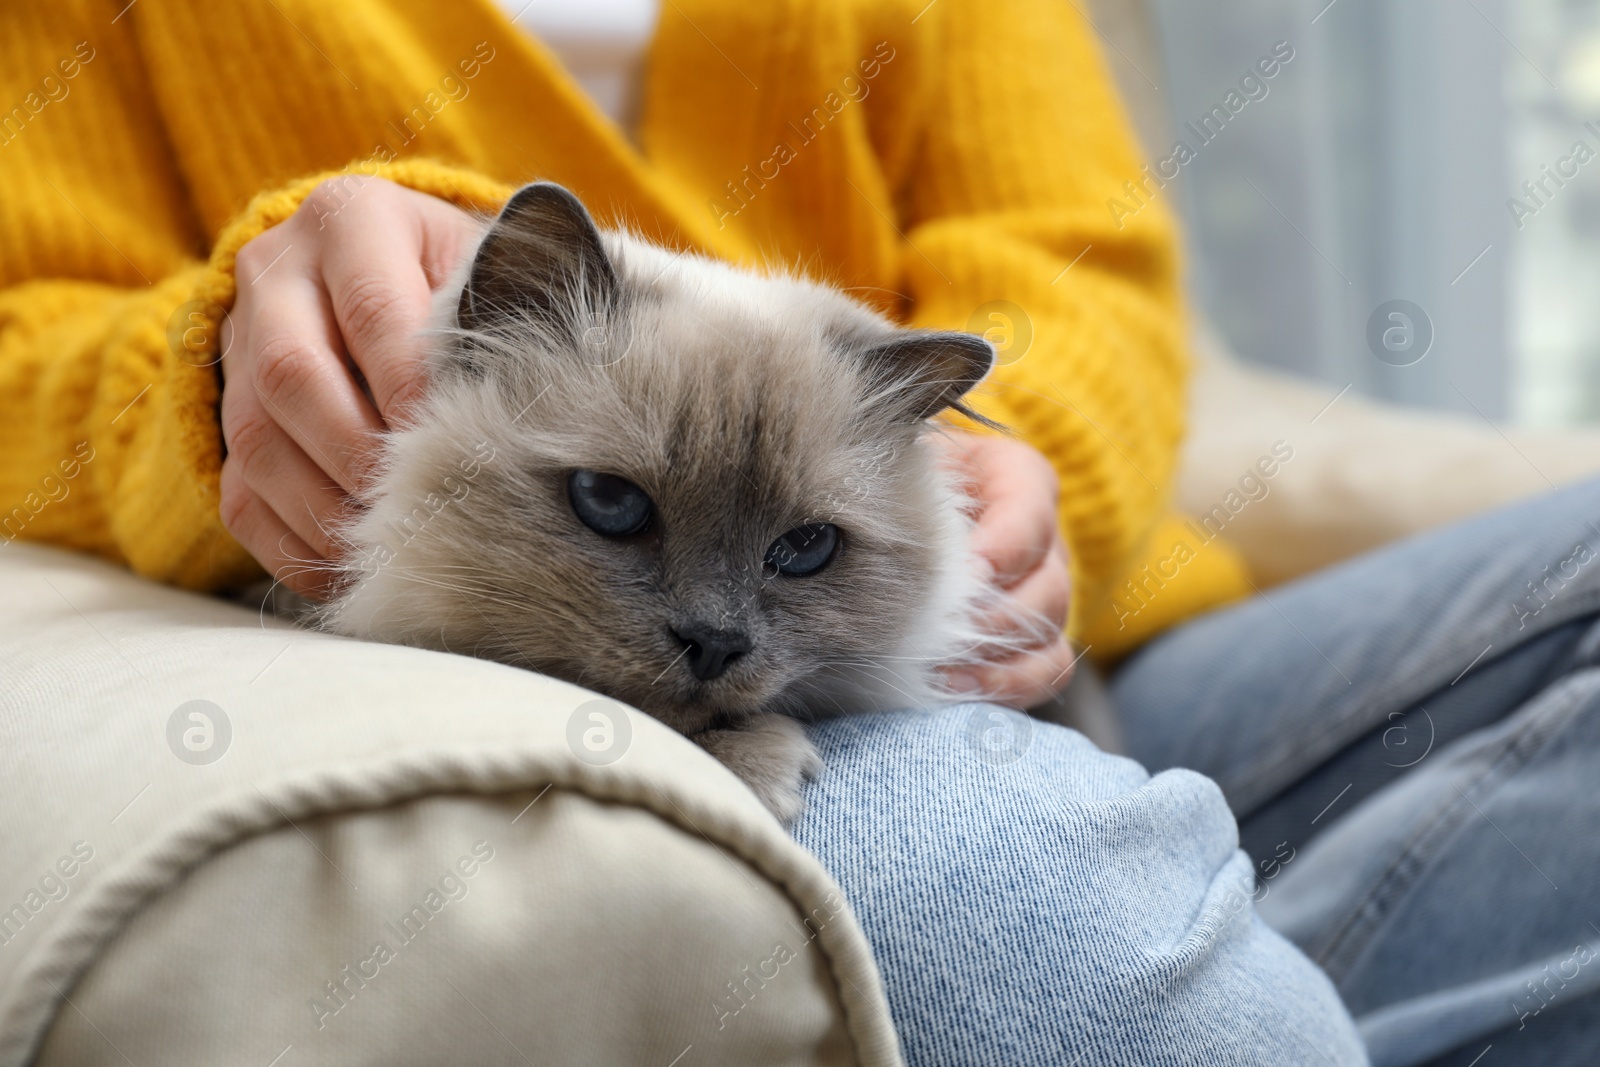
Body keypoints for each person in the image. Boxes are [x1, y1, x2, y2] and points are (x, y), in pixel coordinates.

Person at [5, 1, 1587, 1064]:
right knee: (1015, 880)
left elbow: (1081, 262)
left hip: (1001, 646)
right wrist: (211, 388)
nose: (709, 624)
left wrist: (1029, 492)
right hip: (729, 732)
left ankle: (1227, 958)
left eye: (779, 558)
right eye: (615, 510)